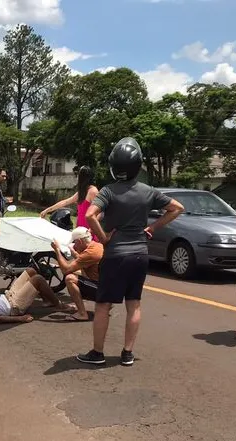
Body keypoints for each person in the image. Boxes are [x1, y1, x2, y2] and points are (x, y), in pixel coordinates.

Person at [81, 137, 185, 366]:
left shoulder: (108, 191)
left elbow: (90, 215)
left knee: (103, 305)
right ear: (138, 166)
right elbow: (177, 208)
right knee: (134, 304)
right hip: (140, 254)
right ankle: (127, 353)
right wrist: (153, 227)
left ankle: (97, 353)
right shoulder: (148, 191)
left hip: (115, 255)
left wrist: (104, 237)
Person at [50, 226, 104, 322]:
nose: (74, 245)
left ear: (80, 241)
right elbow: (85, 263)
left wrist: (57, 250)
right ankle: (105, 303)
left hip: (103, 290)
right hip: (108, 286)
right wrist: (75, 254)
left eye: (75, 242)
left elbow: (66, 270)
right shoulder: (97, 246)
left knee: (70, 278)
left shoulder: (90, 253)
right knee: (77, 272)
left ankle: (82, 314)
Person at [0, 268, 73, 323]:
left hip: (8, 295)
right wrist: (20, 319)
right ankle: (59, 305)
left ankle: (47, 300)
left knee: (30, 271)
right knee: (38, 279)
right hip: (14, 306)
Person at [40, 166, 100, 238]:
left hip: (89, 232)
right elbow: (65, 202)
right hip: (79, 230)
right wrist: (47, 210)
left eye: (78, 175)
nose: (77, 177)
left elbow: (100, 213)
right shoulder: (82, 191)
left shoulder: (93, 191)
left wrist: (91, 230)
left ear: (82, 177)